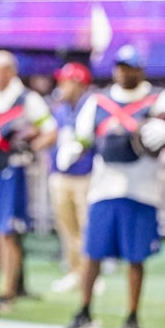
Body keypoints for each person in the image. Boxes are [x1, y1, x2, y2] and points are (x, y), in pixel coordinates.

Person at [62, 45, 165, 328]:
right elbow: (83, 136)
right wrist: (74, 149)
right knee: (93, 252)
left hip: (141, 186)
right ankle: (85, 310)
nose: (124, 73)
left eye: (129, 68)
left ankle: (132, 315)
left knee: (136, 256)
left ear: (140, 70)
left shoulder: (160, 97)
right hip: (104, 185)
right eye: (120, 68)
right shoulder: (98, 100)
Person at [0, 50, 57, 307]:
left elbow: (50, 131)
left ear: (8, 72)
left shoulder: (27, 99)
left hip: (9, 171)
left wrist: (30, 148)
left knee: (6, 232)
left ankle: (8, 292)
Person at [47, 62, 99, 293]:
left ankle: (90, 274)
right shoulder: (60, 109)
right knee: (66, 227)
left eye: (66, 82)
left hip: (85, 175)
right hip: (60, 175)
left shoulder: (92, 106)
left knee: (87, 228)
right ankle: (74, 270)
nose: (61, 87)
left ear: (78, 83)